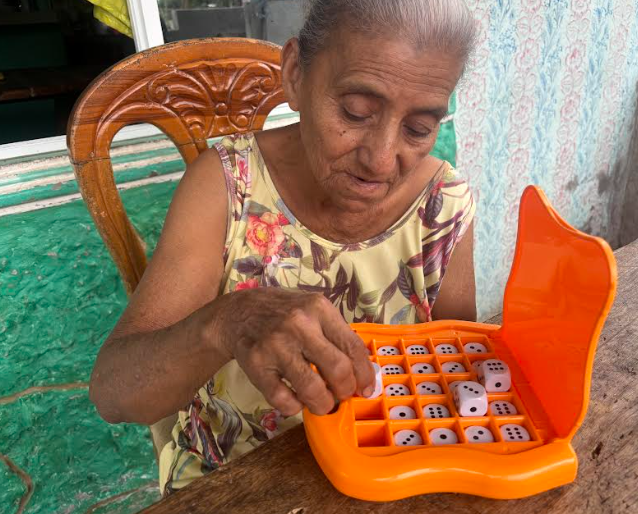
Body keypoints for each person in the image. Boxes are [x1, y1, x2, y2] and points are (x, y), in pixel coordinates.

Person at [89, 0, 477, 495]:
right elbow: (115, 393)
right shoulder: (227, 188)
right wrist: (226, 322)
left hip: (385, 473)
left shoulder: (441, 206)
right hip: (236, 481)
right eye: (355, 112)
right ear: (294, 74)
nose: (381, 160)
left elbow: (459, 380)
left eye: (418, 129)